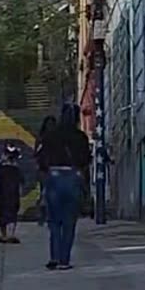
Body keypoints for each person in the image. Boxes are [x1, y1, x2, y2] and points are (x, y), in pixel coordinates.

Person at [39, 104, 91, 270]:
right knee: (69, 221)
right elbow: (85, 161)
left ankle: (54, 255)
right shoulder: (80, 137)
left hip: (54, 177)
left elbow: (41, 160)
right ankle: (64, 260)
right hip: (72, 177)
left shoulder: (51, 136)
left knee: (54, 220)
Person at [0, 143, 25, 244]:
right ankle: (12, 234)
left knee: (2, 215)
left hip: (2, 195)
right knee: (13, 215)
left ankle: (4, 235)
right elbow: (20, 185)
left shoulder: (0, 170)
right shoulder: (17, 170)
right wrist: (20, 195)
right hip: (14, 195)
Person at [34, 115, 57, 226]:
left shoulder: (41, 139)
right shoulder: (56, 138)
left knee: (45, 191)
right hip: (52, 168)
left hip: (44, 168)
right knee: (49, 192)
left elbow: (36, 154)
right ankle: (47, 214)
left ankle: (44, 214)